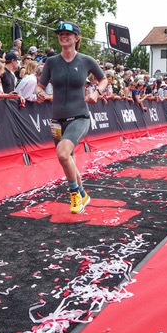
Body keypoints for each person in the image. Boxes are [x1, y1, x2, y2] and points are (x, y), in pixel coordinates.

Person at [35, 21, 107, 215]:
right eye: (60, 33)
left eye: (68, 33)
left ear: (76, 38)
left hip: (80, 116)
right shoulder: (51, 62)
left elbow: (104, 79)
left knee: (63, 154)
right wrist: (38, 93)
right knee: (68, 159)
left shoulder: (86, 60)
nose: (63, 36)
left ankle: (74, 194)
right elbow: (40, 86)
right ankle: (83, 193)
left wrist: (96, 93)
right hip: (58, 119)